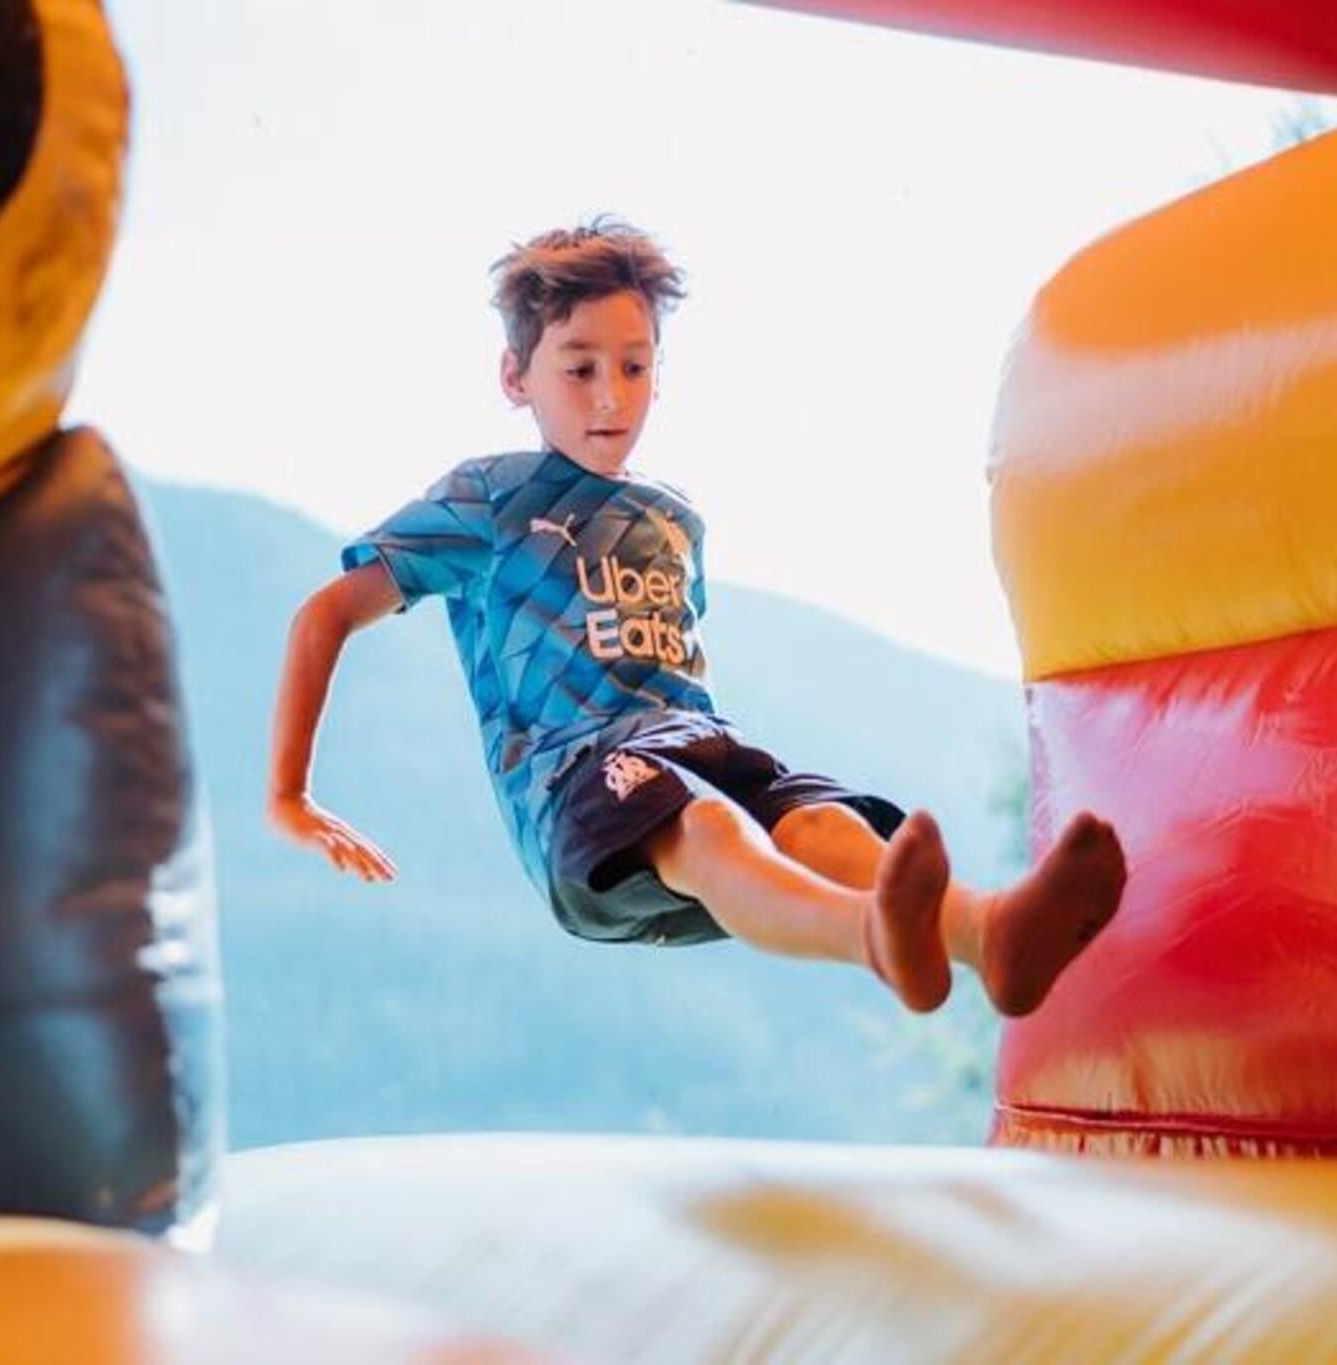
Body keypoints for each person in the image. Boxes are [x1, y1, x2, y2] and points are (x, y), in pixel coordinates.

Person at [268, 218, 1125, 1016]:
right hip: (577, 787)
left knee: (818, 821)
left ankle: (987, 932)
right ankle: (875, 937)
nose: (611, 398)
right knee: (706, 823)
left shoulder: (674, 517)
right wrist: (291, 794)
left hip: (699, 742)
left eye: (634, 368)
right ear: (515, 376)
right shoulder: (491, 499)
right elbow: (326, 613)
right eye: (580, 369)